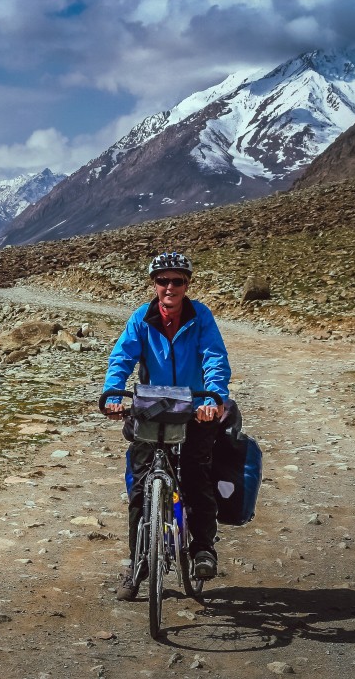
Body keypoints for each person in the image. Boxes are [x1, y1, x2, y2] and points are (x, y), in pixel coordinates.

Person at [100, 252, 231, 601]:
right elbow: (122, 357)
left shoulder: (200, 316)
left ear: (187, 284)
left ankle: (203, 549)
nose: (170, 287)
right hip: (152, 408)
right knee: (140, 488)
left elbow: (214, 358)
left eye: (177, 281)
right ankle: (137, 564)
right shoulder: (141, 319)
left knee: (196, 474)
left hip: (194, 406)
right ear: (154, 285)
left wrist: (213, 398)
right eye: (163, 280)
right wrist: (113, 393)